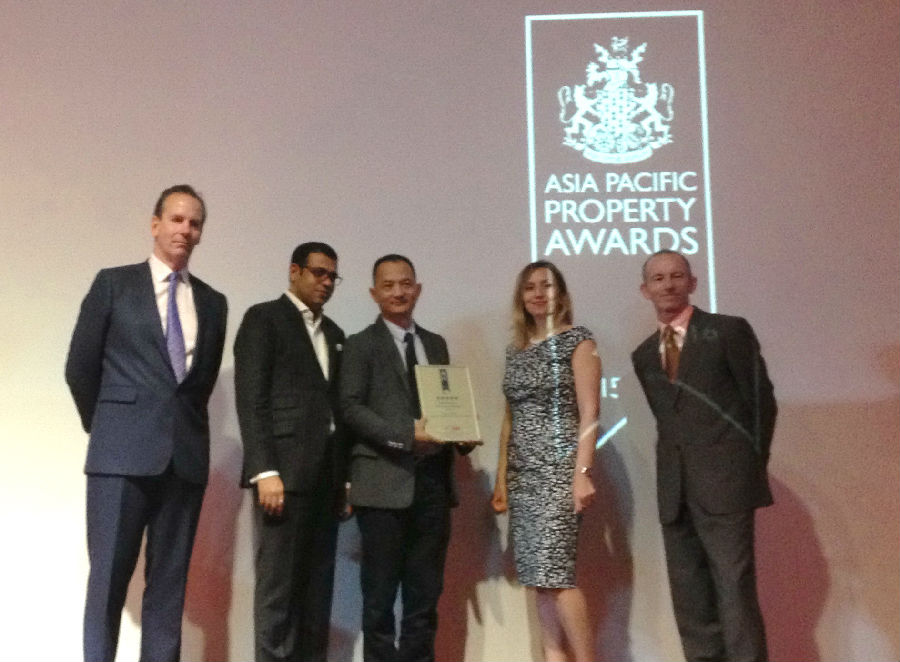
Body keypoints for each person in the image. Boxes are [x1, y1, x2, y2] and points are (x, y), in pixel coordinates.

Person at [65, 184, 228, 662]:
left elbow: (198, 384)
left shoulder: (214, 302)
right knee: (108, 583)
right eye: (176, 219)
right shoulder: (114, 284)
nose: (185, 230)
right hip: (119, 457)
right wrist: (109, 428)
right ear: (155, 224)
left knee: (169, 588)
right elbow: (79, 367)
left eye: (194, 223)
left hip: (184, 461)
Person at [631, 249, 776, 662]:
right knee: (691, 598)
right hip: (675, 492)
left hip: (727, 488)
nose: (668, 285)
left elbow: (761, 403)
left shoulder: (728, 330)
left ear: (692, 283)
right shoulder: (644, 355)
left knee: (734, 590)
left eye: (677, 276)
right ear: (645, 290)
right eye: (658, 278)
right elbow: (670, 421)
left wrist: (746, 468)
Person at [340, 254, 474, 662]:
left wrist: (463, 431)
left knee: (424, 599)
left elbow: (447, 403)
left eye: (405, 283)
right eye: (389, 285)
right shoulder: (360, 344)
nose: (398, 292)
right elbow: (350, 407)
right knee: (379, 600)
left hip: (432, 487)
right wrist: (404, 436)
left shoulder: (435, 343)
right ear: (374, 293)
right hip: (382, 486)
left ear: (417, 289)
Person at [234, 242, 347, 661]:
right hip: (281, 478)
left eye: (332, 276)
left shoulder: (335, 334)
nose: (326, 282)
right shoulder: (264, 318)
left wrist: (343, 480)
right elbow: (252, 399)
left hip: (325, 480)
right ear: (294, 271)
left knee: (317, 596)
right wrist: (264, 470)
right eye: (319, 273)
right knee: (278, 595)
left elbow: (337, 411)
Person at [491, 261, 601, 662]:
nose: (538, 294)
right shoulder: (515, 350)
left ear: (562, 295)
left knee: (558, 575)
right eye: (530, 287)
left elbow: (590, 412)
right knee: (538, 579)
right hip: (523, 476)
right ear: (521, 297)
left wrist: (582, 474)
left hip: (560, 471)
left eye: (547, 286)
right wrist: (502, 479)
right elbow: (510, 418)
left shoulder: (578, 341)